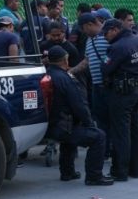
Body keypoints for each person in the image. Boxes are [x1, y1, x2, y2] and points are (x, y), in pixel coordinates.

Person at [45, 46, 113, 186]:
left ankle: (67, 172)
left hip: (52, 125)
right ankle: (94, 176)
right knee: (98, 137)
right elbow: (78, 104)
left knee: (70, 137)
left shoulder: (47, 74)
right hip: (63, 126)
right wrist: (89, 123)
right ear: (65, 59)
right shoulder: (66, 78)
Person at [101, 19, 138, 181]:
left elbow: (105, 68)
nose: (104, 37)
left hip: (121, 93)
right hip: (137, 90)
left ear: (115, 29)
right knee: (134, 129)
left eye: (106, 33)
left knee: (120, 132)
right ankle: (134, 169)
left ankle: (120, 171)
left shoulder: (117, 47)